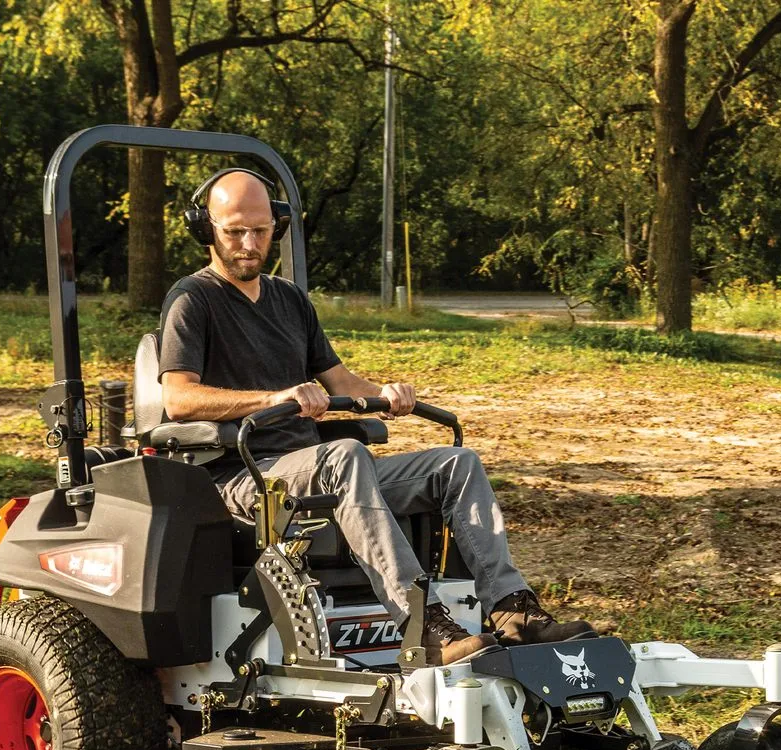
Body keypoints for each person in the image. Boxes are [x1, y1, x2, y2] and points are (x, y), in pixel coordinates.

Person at [158, 169, 594, 666]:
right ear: (205, 227)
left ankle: (512, 610)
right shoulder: (192, 300)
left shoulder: (290, 300)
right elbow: (178, 399)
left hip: (314, 467)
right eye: (234, 230)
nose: (248, 243)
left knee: (457, 464)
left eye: (260, 230)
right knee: (345, 454)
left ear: (276, 227)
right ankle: (422, 623)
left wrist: (385, 394)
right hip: (244, 475)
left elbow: (342, 384)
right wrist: (272, 398)